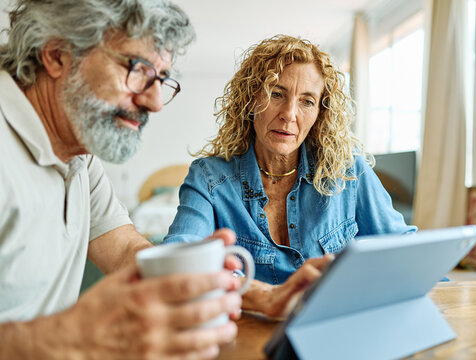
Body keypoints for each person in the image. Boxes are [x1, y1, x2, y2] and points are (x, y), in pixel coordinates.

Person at [0, 1, 242, 358]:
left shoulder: (77, 154)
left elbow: (125, 249)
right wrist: (70, 337)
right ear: (57, 55)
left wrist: (216, 282)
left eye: (160, 79)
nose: (156, 102)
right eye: (138, 68)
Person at [164, 35, 417, 318]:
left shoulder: (349, 172)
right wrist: (259, 295)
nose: (289, 114)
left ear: (320, 113)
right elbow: (178, 257)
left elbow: (406, 254)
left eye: (307, 101)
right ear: (251, 99)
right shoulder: (209, 178)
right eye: (276, 94)